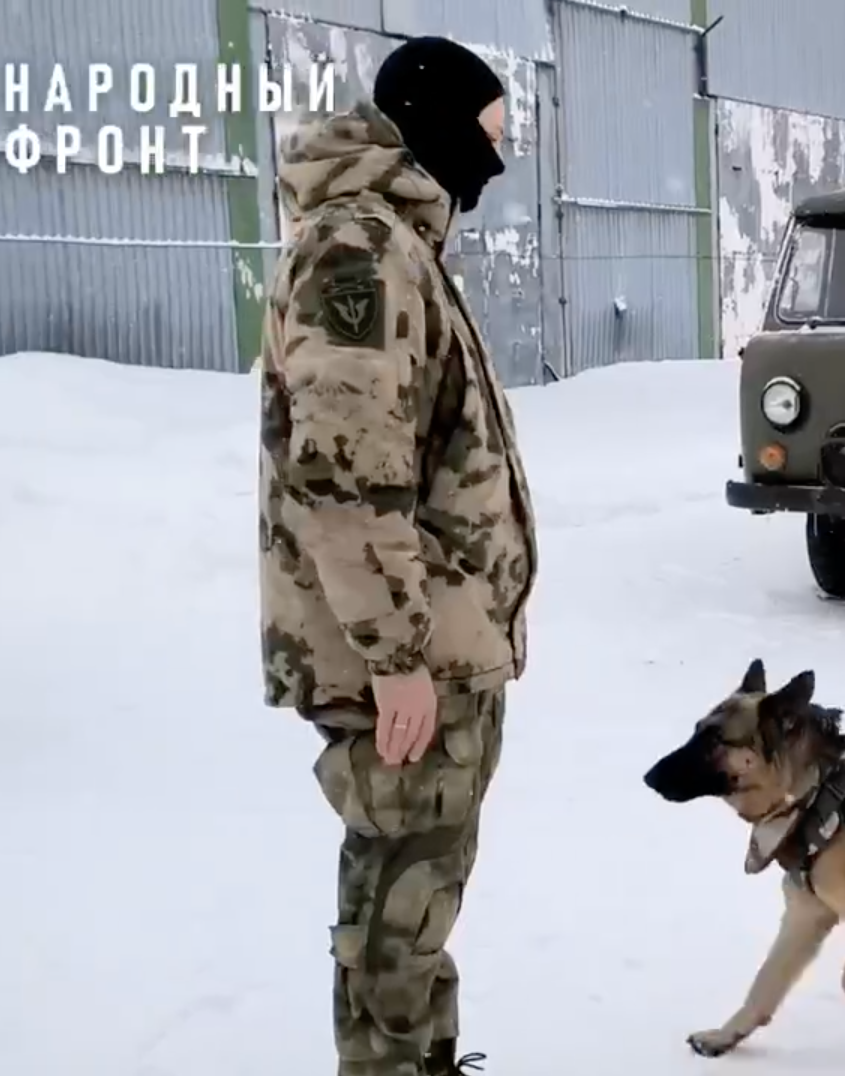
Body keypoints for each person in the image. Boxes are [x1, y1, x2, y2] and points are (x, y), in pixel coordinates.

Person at [258, 35, 538, 1076]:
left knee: (414, 901)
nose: (496, 165)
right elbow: (341, 470)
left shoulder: (396, 244)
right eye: (487, 139)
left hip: (438, 647)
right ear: (429, 124)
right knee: (394, 907)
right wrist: (396, 652)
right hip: (406, 663)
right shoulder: (360, 254)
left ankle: (415, 1059)